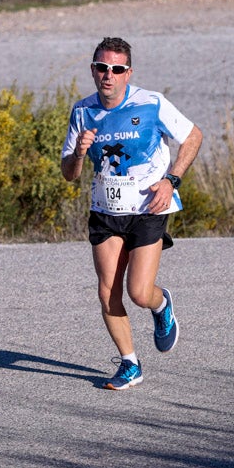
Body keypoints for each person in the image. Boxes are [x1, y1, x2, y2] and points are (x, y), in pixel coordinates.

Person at [61, 37, 203, 390]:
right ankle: (130, 363)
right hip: (105, 209)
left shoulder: (151, 103)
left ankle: (161, 304)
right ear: (93, 70)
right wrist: (79, 153)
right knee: (108, 291)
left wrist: (172, 181)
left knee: (139, 292)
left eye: (116, 69)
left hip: (148, 207)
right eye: (101, 68)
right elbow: (69, 174)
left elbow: (193, 136)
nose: (108, 75)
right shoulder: (83, 111)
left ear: (128, 73)